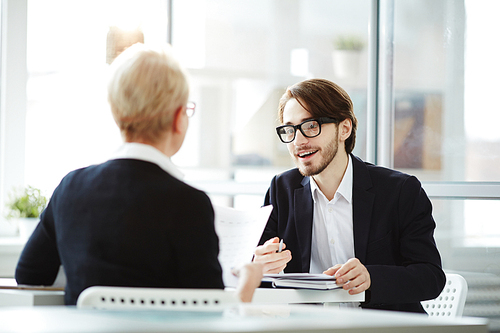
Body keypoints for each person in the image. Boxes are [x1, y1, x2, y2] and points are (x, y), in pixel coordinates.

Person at [15, 43, 262, 305]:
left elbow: (30, 274)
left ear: (116, 112)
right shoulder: (189, 203)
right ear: (179, 117)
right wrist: (247, 285)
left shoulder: (70, 188)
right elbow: (210, 315)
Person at [254, 78, 445, 313]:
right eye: (289, 129)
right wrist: (259, 267)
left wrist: (371, 277)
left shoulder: (400, 190)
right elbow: (261, 281)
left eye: (311, 126)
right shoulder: (280, 189)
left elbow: (430, 277)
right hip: (309, 326)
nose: (298, 141)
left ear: (344, 128)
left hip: (383, 327)